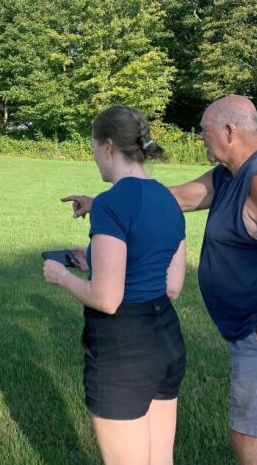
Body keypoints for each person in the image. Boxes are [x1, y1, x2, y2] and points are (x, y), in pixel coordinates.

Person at [63, 95, 257, 465]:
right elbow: (174, 199)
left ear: (229, 130)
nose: (199, 138)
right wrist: (103, 203)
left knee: (252, 435)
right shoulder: (231, 174)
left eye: (203, 130)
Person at [44, 105, 188, 465]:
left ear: (108, 146)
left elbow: (107, 298)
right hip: (166, 341)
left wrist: (61, 275)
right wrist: (93, 259)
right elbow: (171, 285)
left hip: (124, 349)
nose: (94, 159)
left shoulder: (110, 204)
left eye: (93, 149)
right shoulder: (168, 200)